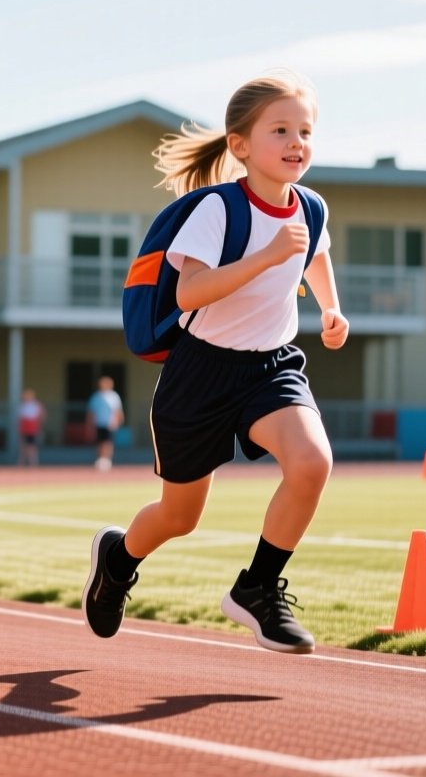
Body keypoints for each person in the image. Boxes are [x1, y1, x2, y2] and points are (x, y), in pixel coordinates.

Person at [81, 73, 348, 654]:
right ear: (240, 145)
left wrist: (331, 308)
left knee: (311, 462)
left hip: (271, 367)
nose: (296, 142)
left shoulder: (311, 208)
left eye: (305, 131)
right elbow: (189, 292)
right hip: (200, 374)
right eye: (281, 130)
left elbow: (315, 255)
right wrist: (267, 257)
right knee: (180, 517)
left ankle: (257, 588)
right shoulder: (218, 209)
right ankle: (118, 559)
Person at [88, 376, 123, 471]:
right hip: (99, 423)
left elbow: (118, 410)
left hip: (110, 423)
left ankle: (107, 459)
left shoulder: (114, 396)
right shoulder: (96, 397)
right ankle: (100, 459)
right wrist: (90, 424)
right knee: (100, 441)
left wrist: (118, 421)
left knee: (108, 442)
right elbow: (91, 411)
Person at [16, 388, 44, 468]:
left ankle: (33, 462)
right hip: (24, 427)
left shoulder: (36, 405)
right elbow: (20, 418)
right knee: (23, 445)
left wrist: (39, 426)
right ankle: (22, 462)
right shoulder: (22, 406)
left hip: (32, 428)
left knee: (32, 446)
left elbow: (41, 415)